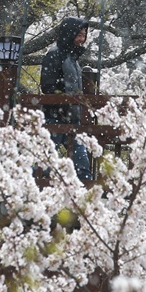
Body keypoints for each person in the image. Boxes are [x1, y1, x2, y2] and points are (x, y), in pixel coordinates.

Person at [40, 16, 93, 181]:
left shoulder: (73, 59)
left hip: (72, 118)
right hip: (54, 117)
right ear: (69, 34)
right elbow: (47, 86)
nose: (82, 39)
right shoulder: (55, 55)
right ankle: (36, 196)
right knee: (45, 162)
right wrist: (64, 100)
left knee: (82, 164)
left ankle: (86, 200)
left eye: (84, 35)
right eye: (79, 34)